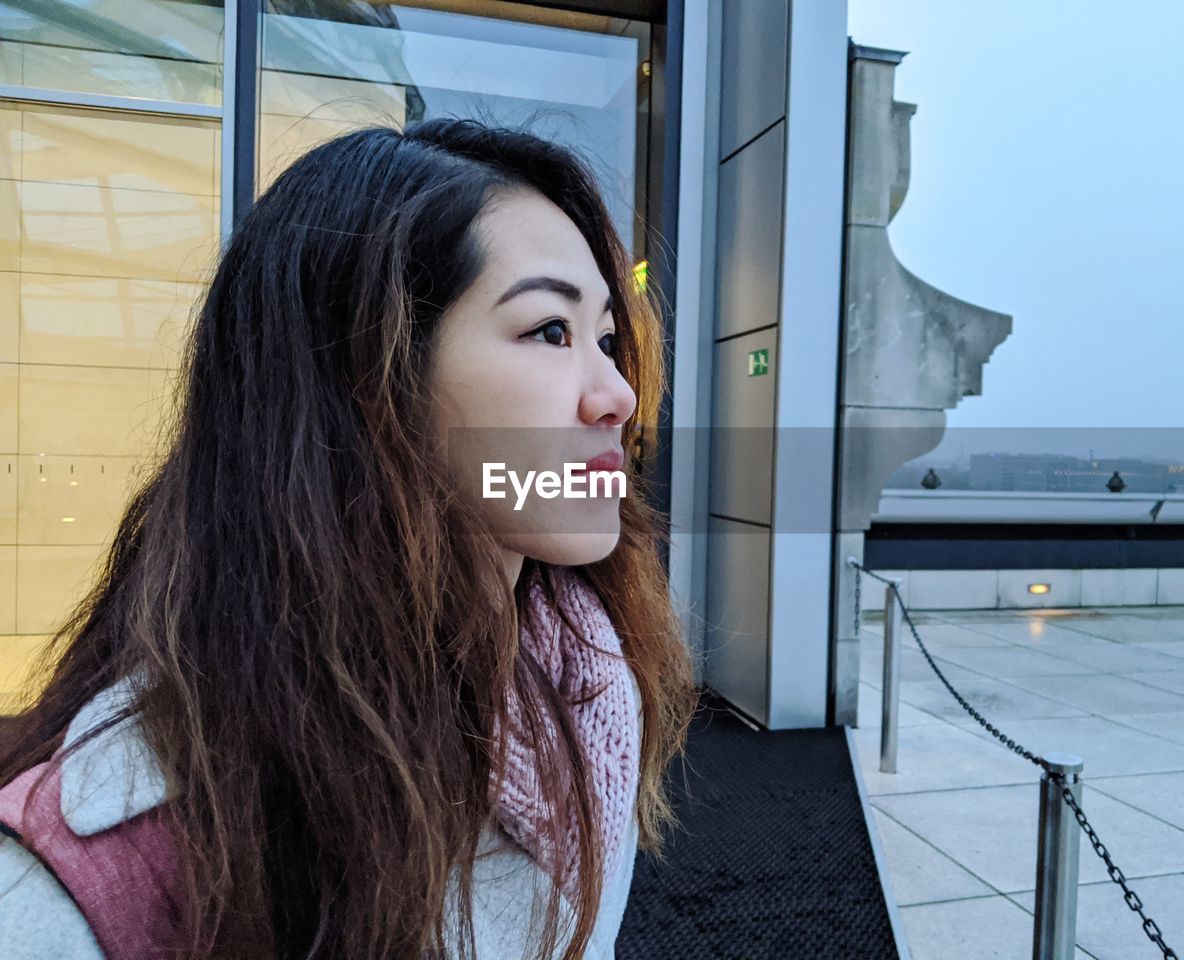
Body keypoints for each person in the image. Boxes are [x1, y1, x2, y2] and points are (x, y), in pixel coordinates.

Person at [0, 116, 699, 960]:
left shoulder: (588, 689)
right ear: (366, 386)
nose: (618, 396)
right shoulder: (96, 876)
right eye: (551, 330)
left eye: (608, 341)